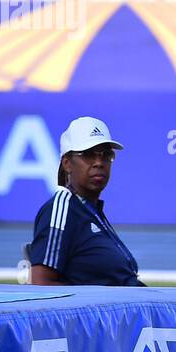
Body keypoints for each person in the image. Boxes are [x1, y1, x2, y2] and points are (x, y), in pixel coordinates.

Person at [29, 116, 144, 286]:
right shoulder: (62, 207)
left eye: (106, 155)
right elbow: (41, 284)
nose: (99, 163)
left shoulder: (91, 210)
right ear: (67, 163)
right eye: (89, 154)